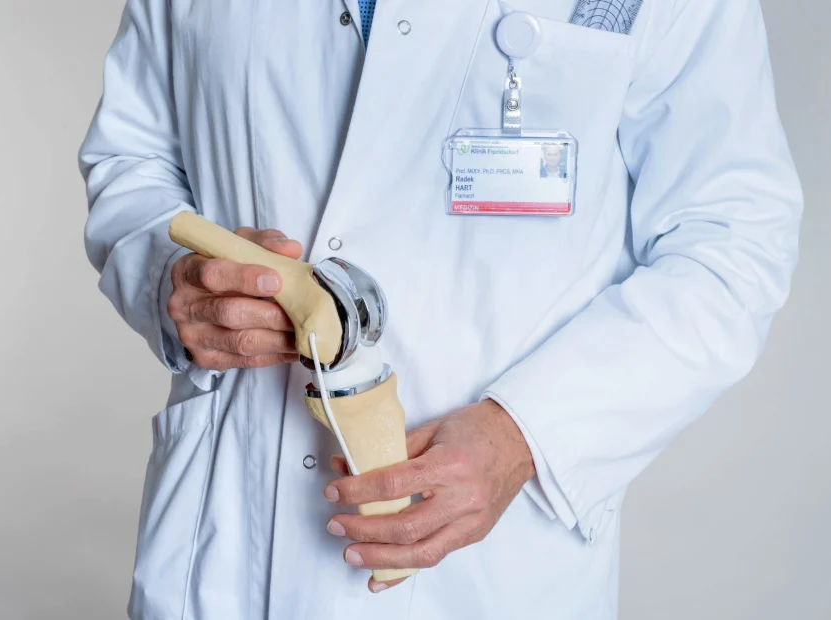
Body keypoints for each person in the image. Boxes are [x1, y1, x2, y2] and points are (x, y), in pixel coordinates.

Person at [79, 1, 802, 618]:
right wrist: (173, 280)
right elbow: (133, 159)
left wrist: (528, 434)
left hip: (491, 574)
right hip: (227, 547)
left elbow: (729, 239)